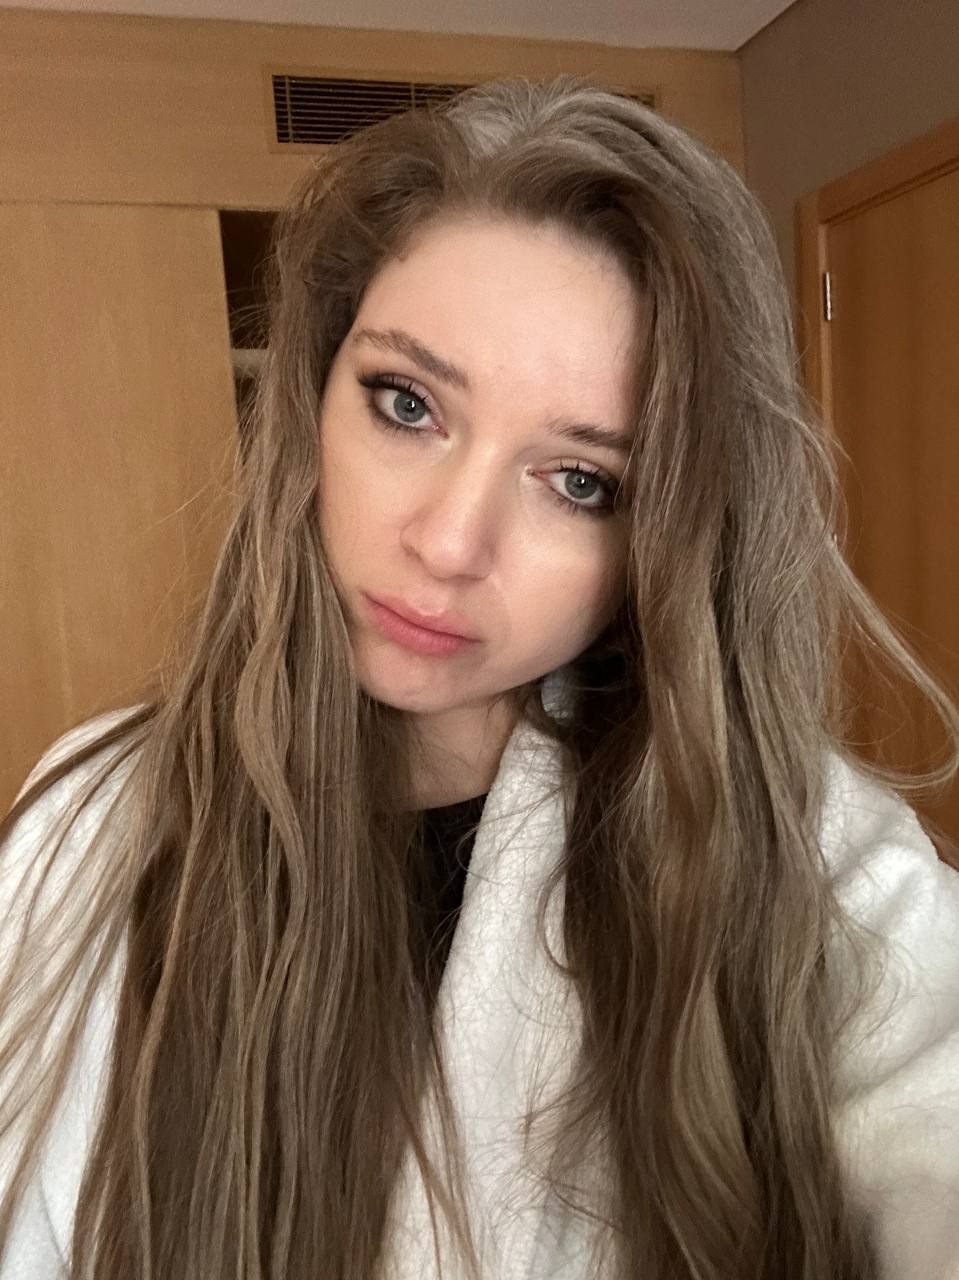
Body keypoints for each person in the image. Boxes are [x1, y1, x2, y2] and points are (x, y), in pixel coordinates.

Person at [2, 74, 959, 1280]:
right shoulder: (94, 820)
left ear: (664, 536)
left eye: (580, 481)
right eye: (405, 404)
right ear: (310, 400)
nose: (449, 542)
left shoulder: (808, 864)